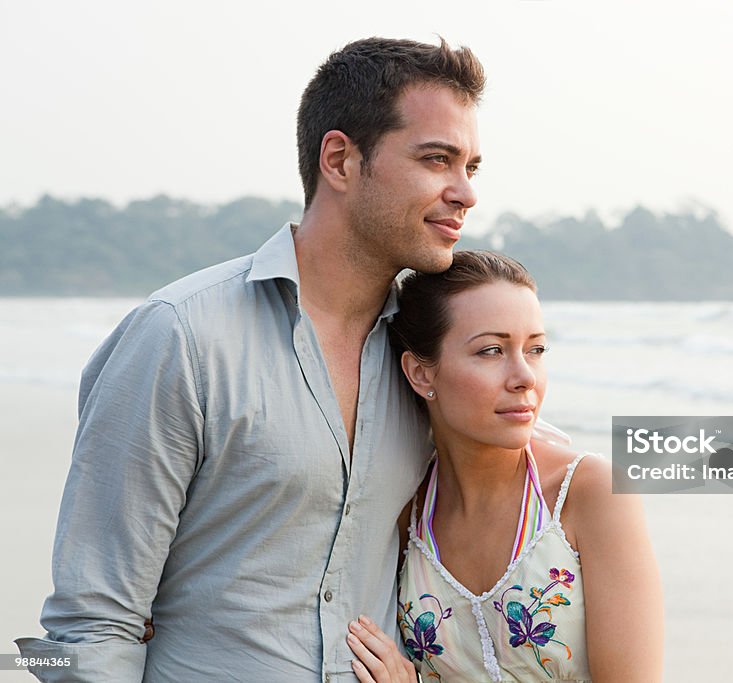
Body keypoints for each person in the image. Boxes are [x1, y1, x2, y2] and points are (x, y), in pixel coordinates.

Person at [16, 37, 485, 682]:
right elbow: (91, 626)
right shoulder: (180, 337)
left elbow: (523, 477)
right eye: (438, 159)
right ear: (341, 160)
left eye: (472, 168)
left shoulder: (426, 362)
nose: (465, 193)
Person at [344, 251, 664, 682]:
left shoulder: (586, 491)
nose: (525, 376)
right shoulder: (408, 510)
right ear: (421, 374)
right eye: (492, 350)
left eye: (535, 350)